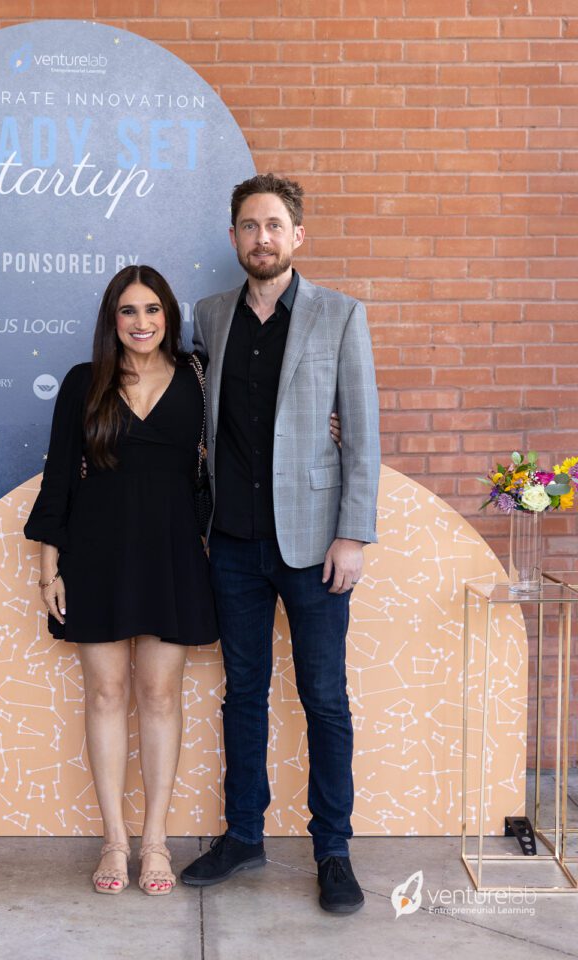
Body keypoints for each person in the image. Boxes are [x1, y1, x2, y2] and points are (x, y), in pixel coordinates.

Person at [181, 173, 380, 915]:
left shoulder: (340, 315)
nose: (260, 238)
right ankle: (243, 835)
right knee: (243, 696)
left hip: (315, 547)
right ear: (233, 237)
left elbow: (361, 436)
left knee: (324, 699)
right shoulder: (209, 315)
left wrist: (352, 535)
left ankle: (333, 849)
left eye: (273, 226)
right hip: (231, 543)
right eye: (247, 226)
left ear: (297, 236)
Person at [24, 264, 219, 896]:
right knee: (106, 695)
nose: (142, 323)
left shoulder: (197, 376)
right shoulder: (85, 382)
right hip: (96, 554)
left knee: (160, 696)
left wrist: (322, 432)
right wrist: (49, 567)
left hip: (171, 554)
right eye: (129, 311)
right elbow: (60, 477)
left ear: (170, 315)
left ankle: (156, 842)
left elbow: (246, 436)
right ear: (114, 320)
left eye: (152, 310)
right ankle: (114, 842)